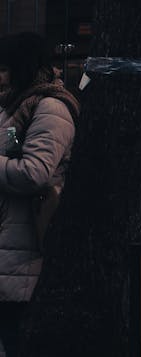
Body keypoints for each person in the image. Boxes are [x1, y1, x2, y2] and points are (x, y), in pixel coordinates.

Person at [0, 33, 79, 355]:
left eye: (4, 69)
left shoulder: (50, 107)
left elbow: (35, 172)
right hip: (11, 245)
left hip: (26, 251)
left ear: (22, 68)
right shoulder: (15, 105)